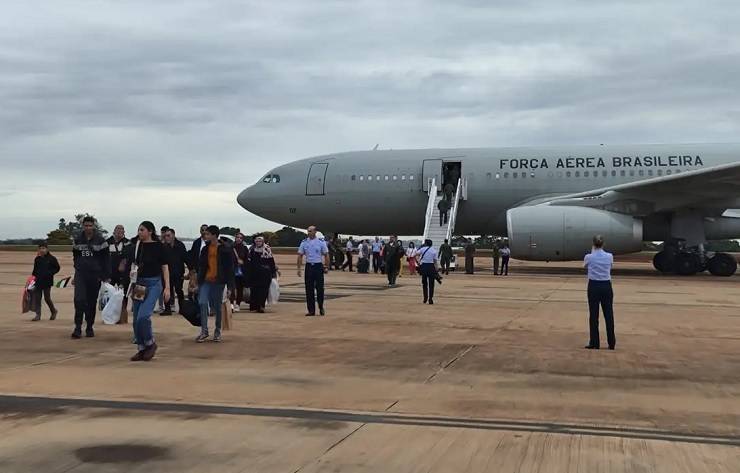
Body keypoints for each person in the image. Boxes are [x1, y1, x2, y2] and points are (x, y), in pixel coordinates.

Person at [129, 221, 169, 361]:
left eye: (142, 230)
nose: (139, 232)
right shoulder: (138, 246)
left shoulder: (159, 246)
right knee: (136, 320)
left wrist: (167, 287)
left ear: (150, 231)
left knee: (143, 316)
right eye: (139, 230)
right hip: (139, 284)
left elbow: (165, 267)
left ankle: (150, 343)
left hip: (153, 284)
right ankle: (141, 348)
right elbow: (134, 263)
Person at [194, 226, 235, 343]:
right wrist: (197, 282)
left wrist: (230, 287)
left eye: (207, 234)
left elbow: (229, 269)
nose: (205, 236)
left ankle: (217, 331)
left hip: (218, 281)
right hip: (206, 280)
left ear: (214, 235)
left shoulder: (225, 249)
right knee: (202, 302)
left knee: (217, 307)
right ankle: (204, 331)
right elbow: (201, 266)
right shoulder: (205, 249)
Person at [71, 216, 110, 339]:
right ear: (83, 226)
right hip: (81, 274)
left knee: (91, 302)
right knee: (79, 300)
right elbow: (75, 257)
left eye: (90, 225)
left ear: (94, 226)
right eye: (86, 225)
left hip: (95, 275)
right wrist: (77, 271)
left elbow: (106, 260)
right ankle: (77, 327)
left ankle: (89, 326)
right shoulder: (77, 240)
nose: (88, 228)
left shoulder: (101, 241)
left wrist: (104, 276)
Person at [584, 235, 616, 350]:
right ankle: (611, 343)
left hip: (594, 285)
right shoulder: (609, 256)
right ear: (603, 244)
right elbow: (610, 266)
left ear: (593, 244)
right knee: (609, 314)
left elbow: (585, 266)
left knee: (594, 315)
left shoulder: (589, 257)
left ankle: (594, 342)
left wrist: (593, 251)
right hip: (606, 285)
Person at [297, 226, 330, 316]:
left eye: (310, 231)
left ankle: (320, 306)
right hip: (309, 267)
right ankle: (311, 310)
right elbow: (300, 255)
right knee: (309, 289)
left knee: (320, 288)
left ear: (315, 232)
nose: (309, 232)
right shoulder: (304, 242)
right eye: (308, 231)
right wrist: (299, 268)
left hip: (318, 266)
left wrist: (326, 266)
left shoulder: (321, 242)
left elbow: (326, 255)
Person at [247, 235, 278, 313]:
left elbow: (271, 261)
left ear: (263, 242)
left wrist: (273, 272)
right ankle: (254, 307)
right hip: (254, 272)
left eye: (260, 241)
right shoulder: (252, 249)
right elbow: (249, 261)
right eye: (257, 241)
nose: (258, 243)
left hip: (265, 273)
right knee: (254, 290)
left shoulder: (267, 249)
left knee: (263, 291)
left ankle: (261, 306)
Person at [31, 243, 60, 321]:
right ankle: (38, 315)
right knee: (38, 298)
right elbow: (34, 270)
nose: (42, 250)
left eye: (43, 248)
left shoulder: (52, 258)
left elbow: (57, 268)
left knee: (47, 298)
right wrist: (32, 278)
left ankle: (53, 311)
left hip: (47, 281)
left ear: (47, 249)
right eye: (40, 248)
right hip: (38, 281)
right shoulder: (37, 259)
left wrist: (50, 273)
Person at [162, 228, 187, 315]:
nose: (166, 238)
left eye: (168, 235)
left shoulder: (180, 245)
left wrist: (191, 270)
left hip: (178, 272)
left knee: (179, 290)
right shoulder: (164, 246)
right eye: (165, 236)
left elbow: (185, 258)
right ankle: (167, 309)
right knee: (166, 290)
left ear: (173, 235)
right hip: (167, 273)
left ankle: (182, 309)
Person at [107, 225, 131, 315]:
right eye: (118, 230)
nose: (119, 232)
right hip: (110, 272)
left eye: (122, 231)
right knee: (109, 293)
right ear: (114, 232)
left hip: (123, 274)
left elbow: (130, 256)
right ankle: (109, 311)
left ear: (124, 232)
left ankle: (123, 312)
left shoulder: (128, 243)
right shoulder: (108, 242)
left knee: (124, 294)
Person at [416, 239, 439, 304]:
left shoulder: (422, 249)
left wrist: (418, 262)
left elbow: (416, 254)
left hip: (424, 266)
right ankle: (430, 299)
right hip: (431, 267)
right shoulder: (434, 251)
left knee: (424, 283)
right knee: (431, 284)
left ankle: (425, 298)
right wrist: (436, 269)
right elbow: (435, 261)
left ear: (426, 243)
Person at [230, 232, 249, 311]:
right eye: (237, 237)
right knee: (232, 288)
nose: (239, 239)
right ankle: (231, 303)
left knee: (240, 288)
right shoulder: (231, 247)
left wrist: (243, 262)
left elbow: (247, 259)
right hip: (232, 270)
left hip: (241, 271)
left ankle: (238, 304)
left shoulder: (244, 248)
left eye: (240, 238)